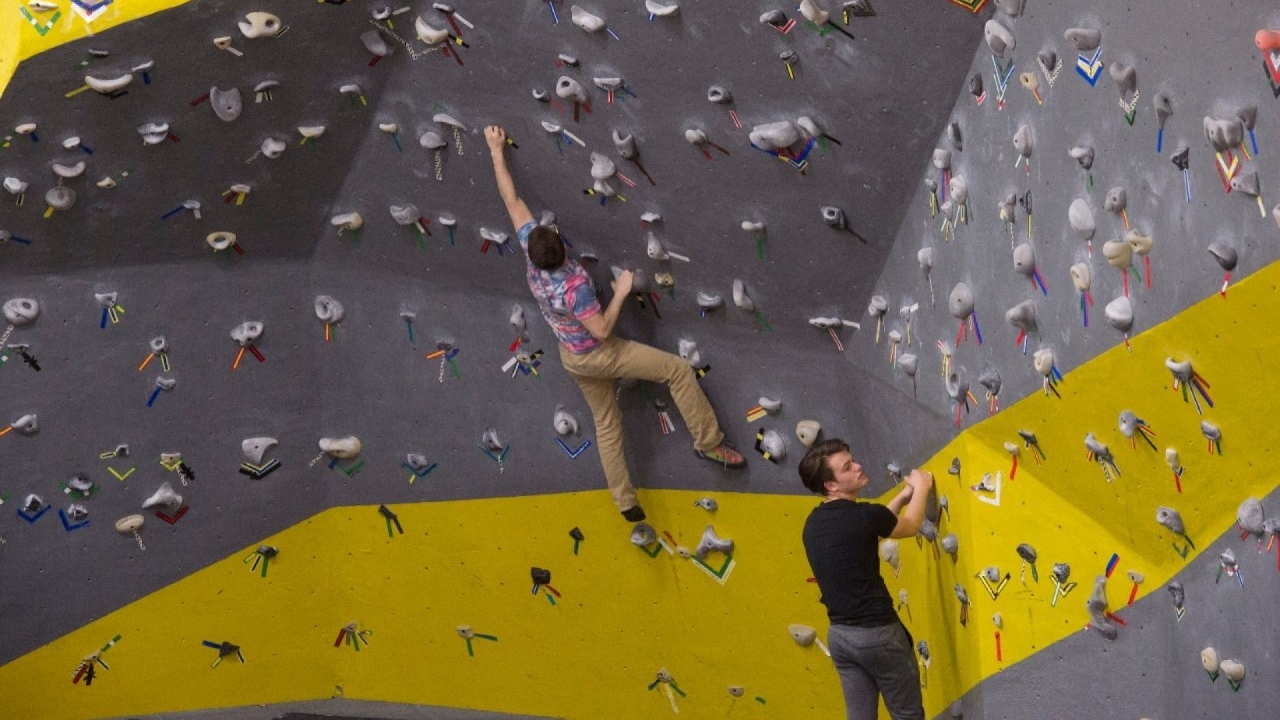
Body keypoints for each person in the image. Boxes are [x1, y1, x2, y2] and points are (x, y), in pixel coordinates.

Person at [484, 125, 745, 523]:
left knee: (606, 424)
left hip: (571, 356)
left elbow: (512, 199)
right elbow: (602, 331)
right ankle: (708, 442)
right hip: (599, 353)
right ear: (562, 247)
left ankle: (625, 502)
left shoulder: (532, 256)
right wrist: (622, 291)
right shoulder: (574, 287)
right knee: (677, 370)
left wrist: (496, 150)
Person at [799, 438, 930, 720]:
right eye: (847, 467)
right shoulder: (865, 516)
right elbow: (910, 526)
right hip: (879, 635)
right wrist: (921, 487)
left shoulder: (813, 523)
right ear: (831, 485)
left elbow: (871, 530)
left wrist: (903, 497)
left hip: (841, 638)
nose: (858, 466)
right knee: (908, 715)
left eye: (853, 461)